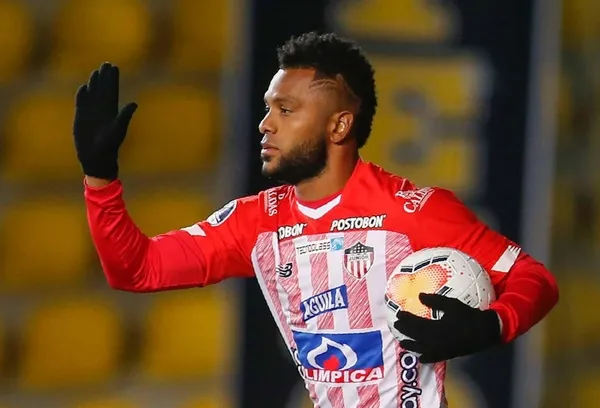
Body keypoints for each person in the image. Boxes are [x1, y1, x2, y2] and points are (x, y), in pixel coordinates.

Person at [73, 32, 559, 407]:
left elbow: (533, 278)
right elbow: (136, 269)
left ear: (339, 125)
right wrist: (100, 178)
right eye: (268, 109)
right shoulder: (255, 223)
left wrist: (493, 325)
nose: (266, 124)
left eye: (286, 110)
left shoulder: (414, 210)